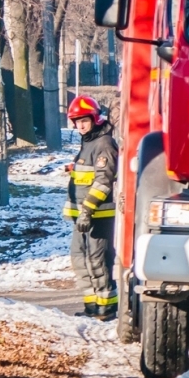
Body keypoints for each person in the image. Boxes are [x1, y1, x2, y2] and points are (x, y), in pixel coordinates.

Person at [65, 95, 120, 320]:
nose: (80, 126)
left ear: (95, 119)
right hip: (82, 217)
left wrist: (87, 211)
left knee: (98, 260)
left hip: (99, 215)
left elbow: (103, 181)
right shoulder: (88, 142)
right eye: (77, 121)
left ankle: (106, 308)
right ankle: (91, 306)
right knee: (80, 258)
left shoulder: (104, 143)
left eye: (84, 121)